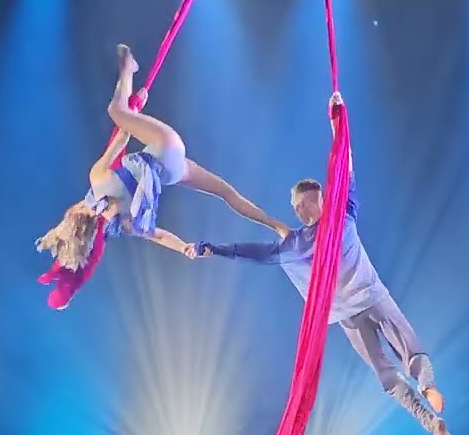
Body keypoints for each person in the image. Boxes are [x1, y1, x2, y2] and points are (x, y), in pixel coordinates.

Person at [188, 92, 459, 435]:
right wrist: (336, 122)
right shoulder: (339, 215)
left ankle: (428, 413)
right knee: (406, 357)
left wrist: (213, 248)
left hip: (350, 313)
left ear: (302, 205)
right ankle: (428, 394)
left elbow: (251, 252)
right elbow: (346, 162)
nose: (300, 210)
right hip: (370, 300)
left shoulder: (298, 243)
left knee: (388, 373)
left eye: (299, 205)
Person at [36, 44, 289, 275]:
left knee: (226, 192)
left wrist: (183, 247)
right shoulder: (97, 178)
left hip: (173, 170)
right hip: (163, 147)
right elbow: (123, 136)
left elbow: (158, 236)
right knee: (116, 110)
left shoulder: (121, 224)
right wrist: (135, 109)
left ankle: (277, 226)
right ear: (76, 210)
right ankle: (129, 68)